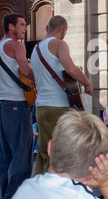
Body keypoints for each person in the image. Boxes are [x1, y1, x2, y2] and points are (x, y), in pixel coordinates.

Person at [31, 15, 93, 175]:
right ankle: (56, 192)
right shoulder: (59, 44)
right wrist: (87, 83)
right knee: (60, 154)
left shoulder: (36, 49)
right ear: (64, 30)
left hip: (41, 107)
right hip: (58, 107)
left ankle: (37, 189)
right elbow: (71, 69)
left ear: (47, 27)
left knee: (44, 154)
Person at [0, 13, 34, 199]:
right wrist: (42, 77)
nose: (25, 28)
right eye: (22, 24)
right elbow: (26, 71)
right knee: (22, 156)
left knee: (5, 157)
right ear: (11, 26)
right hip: (16, 106)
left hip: (0, 105)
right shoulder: (16, 45)